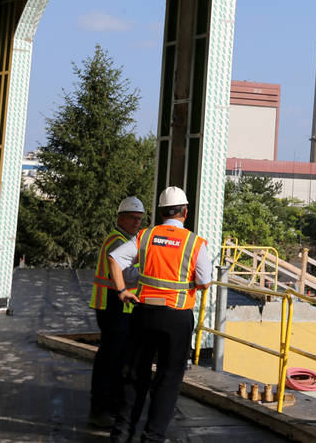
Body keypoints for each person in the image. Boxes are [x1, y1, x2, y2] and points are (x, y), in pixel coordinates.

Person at [107, 186, 211, 443]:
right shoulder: (194, 242)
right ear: (185, 212)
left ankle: (121, 435)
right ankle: (152, 437)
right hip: (177, 317)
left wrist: (122, 291)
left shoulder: (145, 236)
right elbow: (205, 281)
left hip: (144, 314)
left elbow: (114, 259)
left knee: (134, 375)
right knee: (168, 379)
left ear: (162, 212)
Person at [88, 196, 145, 428]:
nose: (137, 223)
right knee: (110, 359)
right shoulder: (117, 241)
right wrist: (148, 272)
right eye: (132, 218)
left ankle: (107, 404)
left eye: (140, 219)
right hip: (112, 304)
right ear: (120, 218)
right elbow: (125, 274)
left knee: (116, 358)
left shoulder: (126, 239)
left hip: (119, 304)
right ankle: (100, 407)